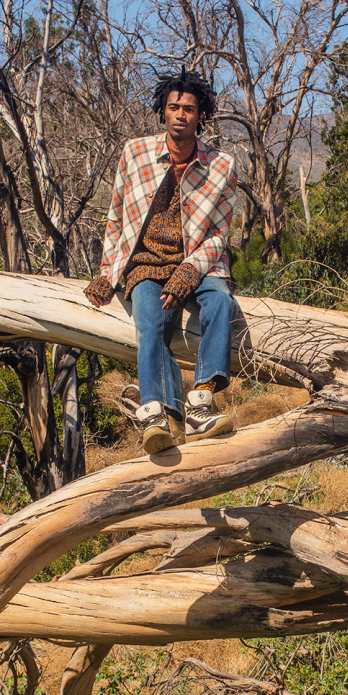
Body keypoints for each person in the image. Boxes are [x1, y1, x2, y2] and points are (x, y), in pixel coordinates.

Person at [85, 68, 238, 454]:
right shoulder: (135, 152)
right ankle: (154, 415)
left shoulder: (222, 165)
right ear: (162, 111)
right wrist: (106, 272)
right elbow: (116, 216)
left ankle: (201, 400)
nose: (180, 115)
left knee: (221, 302)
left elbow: (220, 234)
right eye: (173, 107)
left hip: (196, 262)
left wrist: (189, 270)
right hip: (146, 262)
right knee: (150, 324)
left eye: (189, 108)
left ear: (201, 115)